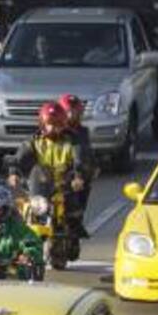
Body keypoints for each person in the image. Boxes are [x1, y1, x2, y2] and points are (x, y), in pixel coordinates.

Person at [9, 102, 88, 235]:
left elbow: (79, 160)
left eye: (56, 125)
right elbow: (18, 158)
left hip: (63, 185)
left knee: (74, 208)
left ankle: (73, 233)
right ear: (42, 124)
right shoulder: (34, 141)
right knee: (18, 211)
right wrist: (13, 173)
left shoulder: (73, 141)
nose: (52, 128)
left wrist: (78, 177)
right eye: (49, 124)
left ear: (63, 125)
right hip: (40, 185)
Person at [58, 93, 94, 239]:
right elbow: (33, 147)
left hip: (72, 172)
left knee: (82, 187)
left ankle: (76, 222)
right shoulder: (49, 130)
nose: (71, 115)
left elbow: (83, 153)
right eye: (67, 111)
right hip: (51, 171)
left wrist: (80, 174)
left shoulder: (82, 132)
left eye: (74, 112)